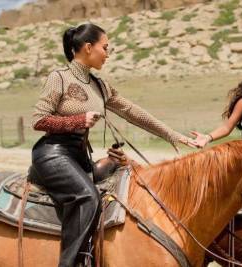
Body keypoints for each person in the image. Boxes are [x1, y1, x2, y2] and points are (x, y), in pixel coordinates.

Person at [31, 23, 195, 267]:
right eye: (105, 47)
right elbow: (38, 120)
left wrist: (172, 135)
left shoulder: (99, 85)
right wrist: (78, 120)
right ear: (88, 48)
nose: (108, 53)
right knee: (88, 197)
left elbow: (132, 111)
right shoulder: (59, 78)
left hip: (78, 156)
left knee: (124, 171)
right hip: (52, 154)